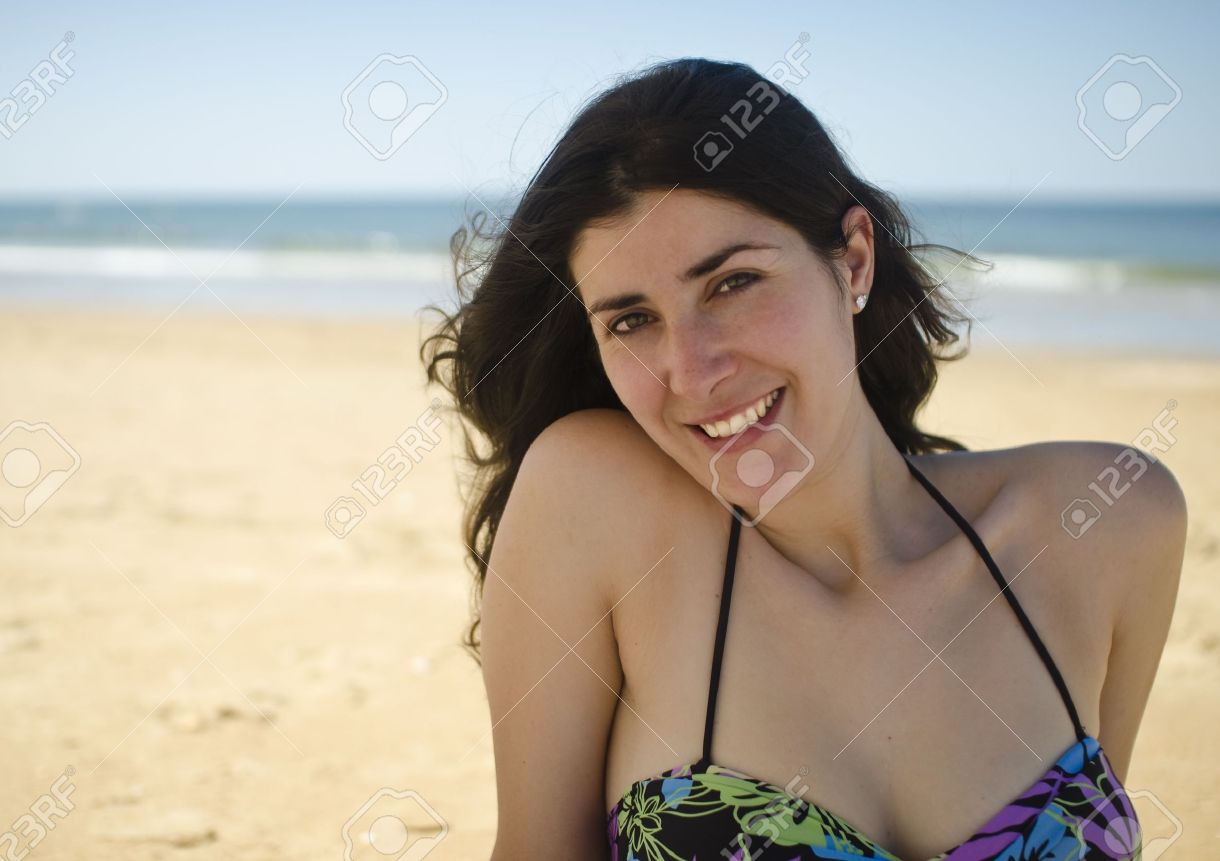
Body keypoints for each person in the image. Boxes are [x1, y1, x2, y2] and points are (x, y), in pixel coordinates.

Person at [421, 58, 1185, 861]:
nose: (693, 371)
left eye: (733, 282)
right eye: (632, 320)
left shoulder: (1109, 524)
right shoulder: (596, 505)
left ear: (853, 258)